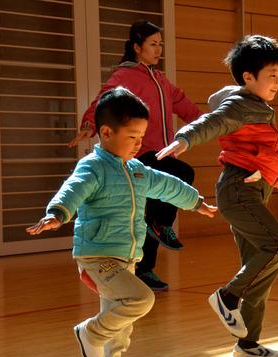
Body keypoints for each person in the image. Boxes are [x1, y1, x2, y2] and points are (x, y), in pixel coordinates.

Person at [27, 87, 216, 357]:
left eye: (142, 135)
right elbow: (72, 190)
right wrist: (57, 213)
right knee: (141, 300)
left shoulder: (137, 170)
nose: (139, 142)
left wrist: (195, 202)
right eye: (132, 136)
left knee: (119, 335)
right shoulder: (93, 167)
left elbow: (167, 185)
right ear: (106, 132)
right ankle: (88, 332)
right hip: (97, 257)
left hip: (125, 258)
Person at [156, 35, 278, 357]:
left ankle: (247, 344)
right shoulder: (240, 104)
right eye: (270, 75)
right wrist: (185, 139)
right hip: (239, 191)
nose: (277, 82)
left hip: (253, 192)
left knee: (259, 267)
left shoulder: (257, 104)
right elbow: (212, 122)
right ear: (248, 77)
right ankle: (227, 297)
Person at [70, 20, 202, 291]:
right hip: (140, 153)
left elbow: (184, 104)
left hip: (162, 153)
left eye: (160, 44)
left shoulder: (160, 79)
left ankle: (144, 270)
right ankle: (158, 226)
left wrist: (209, 124)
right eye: (153, 44)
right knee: (182, 176)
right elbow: (103, 101)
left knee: (151, 212)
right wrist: (88, 124)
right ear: (137, 47)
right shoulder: (124, 76)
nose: (158, 49)